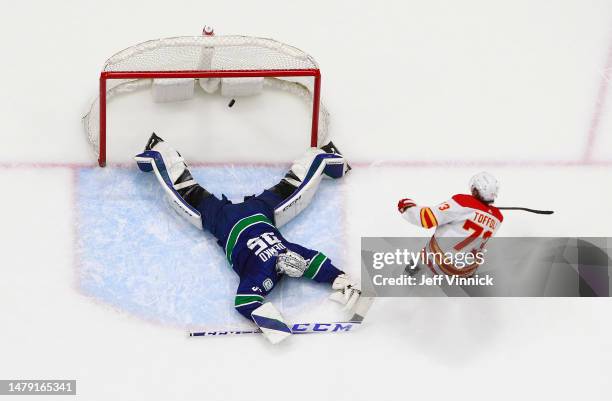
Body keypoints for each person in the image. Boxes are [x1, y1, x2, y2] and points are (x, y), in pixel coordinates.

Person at [135, 133, 360, 343]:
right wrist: (337, 278)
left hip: (241, 216)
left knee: (289, 187)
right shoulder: (267, 271)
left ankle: (160, 150)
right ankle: (160, 152)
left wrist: (338, 278)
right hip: (241, 217)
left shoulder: (276, 263)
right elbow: (248, 301)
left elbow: (306, 267)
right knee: (190, 192)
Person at [397, 172, 504, 277]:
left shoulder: (463, 202)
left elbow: (427, 219)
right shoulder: (498, 218)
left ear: (476, 190)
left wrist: (408, 208)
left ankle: (403, 286)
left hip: (439, 263)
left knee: (420, 261)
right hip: (466, 272)